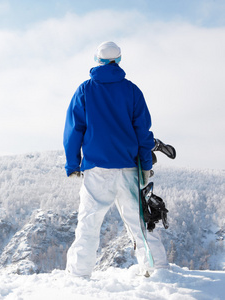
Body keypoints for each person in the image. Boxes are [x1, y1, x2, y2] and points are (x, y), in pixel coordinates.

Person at [63, 41, 168, 278]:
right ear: (119, 61)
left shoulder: (85, 90)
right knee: (140, 222)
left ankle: (79, 275)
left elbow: (74, 129)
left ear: (97, 60)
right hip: (129, 168)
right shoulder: (132, 91)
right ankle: (157, 269)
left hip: (96, 168)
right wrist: (146, 165)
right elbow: (143, 132)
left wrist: (72, 163)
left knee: (88, 224)